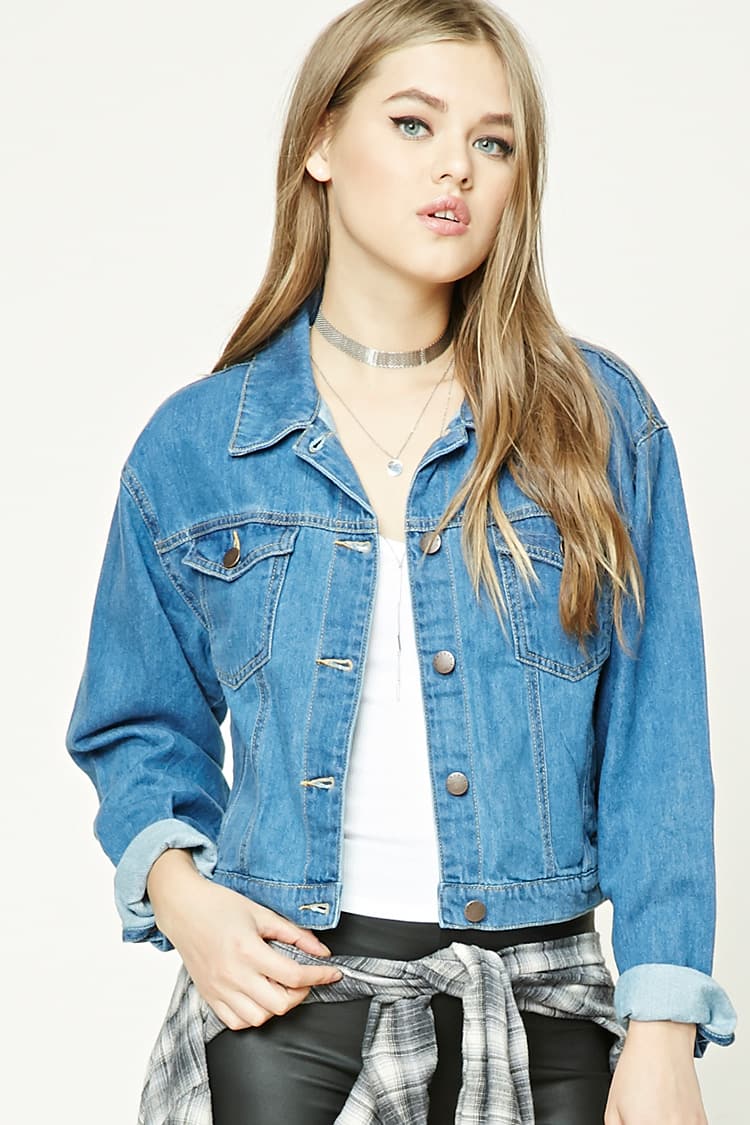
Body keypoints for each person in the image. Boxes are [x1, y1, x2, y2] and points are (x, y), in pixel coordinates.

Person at [66, 1, 737, 1122]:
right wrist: (184, 899)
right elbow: (134, 723)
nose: (457, 168)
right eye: (415, 124)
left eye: (493, 141)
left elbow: (658, 743)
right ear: (321, 142)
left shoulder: (597, 423)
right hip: (285, 1007)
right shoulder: (199, 445)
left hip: (543, 1008)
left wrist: (665, 1024)